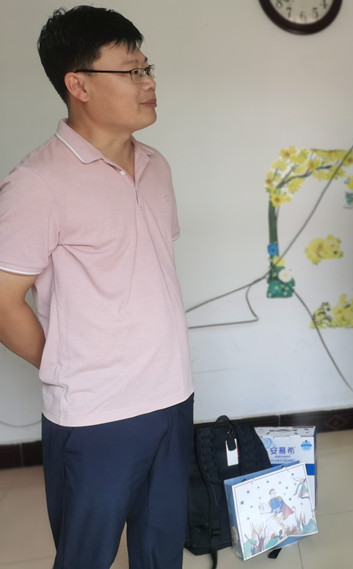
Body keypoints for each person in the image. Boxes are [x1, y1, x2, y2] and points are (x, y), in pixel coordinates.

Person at [0, 6, 194, 569]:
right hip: (94, 416)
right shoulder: (36, 184)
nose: (149, 82)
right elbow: (3, 301)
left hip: (173, 395)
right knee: (86, 556)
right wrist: (65, 362)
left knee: (162, 551)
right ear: (78, 85)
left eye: (147, 68)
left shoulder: (156, 165)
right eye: (131, 71)